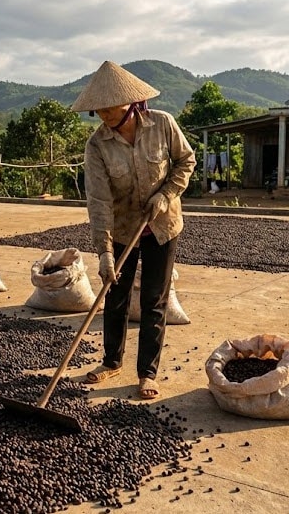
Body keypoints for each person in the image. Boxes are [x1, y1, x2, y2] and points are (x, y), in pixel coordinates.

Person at [72, 60, 196, 400]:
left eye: (111, 106)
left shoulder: (162, 124)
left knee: (154, 299)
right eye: (100, 108)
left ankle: (147, 373)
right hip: (124, 229)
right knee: (115, 295)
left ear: (131, 101)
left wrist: (165, 195)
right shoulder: (97, 146)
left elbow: (186, 161)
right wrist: (105, 252)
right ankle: (111, 361)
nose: (105, 113)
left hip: (162, 225)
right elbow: (98, 200)